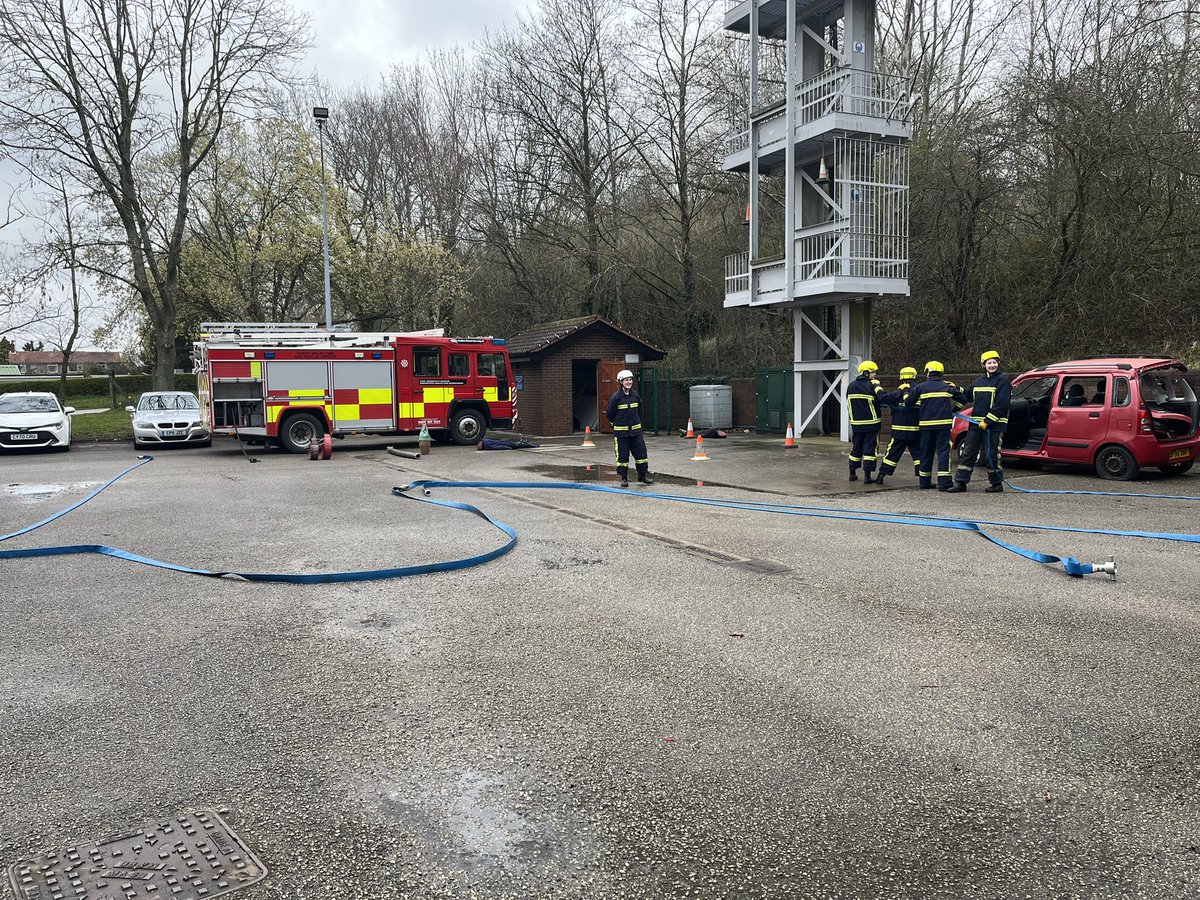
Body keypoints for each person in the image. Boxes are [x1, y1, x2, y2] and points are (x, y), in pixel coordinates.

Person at [948, 350, 1011, 493]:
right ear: (984, 365)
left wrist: (988, 421)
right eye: (989, 363)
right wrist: (954, 389)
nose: (992, 365)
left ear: (998, 364)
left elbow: (1001, 404)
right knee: (968, 453)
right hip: (976, 425)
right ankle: (960, 483)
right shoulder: (979, 381)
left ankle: (996, 484)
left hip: (994, 426)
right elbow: (967, 395)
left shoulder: (1003, 381)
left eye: (994, 362)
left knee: (992, 454)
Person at [903, 360, 964, 491]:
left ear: (927, 373)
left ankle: (924, 482)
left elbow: (908, 402)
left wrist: (906, 391)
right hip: (943, 426)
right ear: (941, 373)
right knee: (943, 452)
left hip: (925, 426)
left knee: (926, 452)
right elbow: (963, 398)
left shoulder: (920, 387)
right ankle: (944, 484)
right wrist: (954, 409)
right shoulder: (947, 386)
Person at [606, 369, 653, 487]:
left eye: (630, 379)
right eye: (626, 380)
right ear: (620, 382)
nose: (629, 382)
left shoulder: (635, 395)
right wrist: (616, 424)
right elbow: (610, 414)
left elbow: (639, 410)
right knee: (622, 456)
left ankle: (642, 476)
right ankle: (624, 478)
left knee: (641, 454)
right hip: (622, 434)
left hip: (636, 432)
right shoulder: (615, 398)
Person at [875, 366, 922, 485]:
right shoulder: (920, 391)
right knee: (919, 456)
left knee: (891, 455)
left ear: (901, 378)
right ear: (914, 376)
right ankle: (923, 480)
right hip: (915, 432)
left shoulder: (899, 391)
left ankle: (881, 476)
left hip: (898, 432)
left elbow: (885, 399)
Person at [846, 360, 885, 482]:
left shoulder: (851, 386)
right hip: (871, 424)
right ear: (866, 372)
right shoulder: (872, 385)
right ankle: (867, 477)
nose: (875, 375)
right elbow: (882, 399)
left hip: (856, 424)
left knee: (856, 448)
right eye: (873, 372)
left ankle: (852, 473)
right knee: (870, 450)